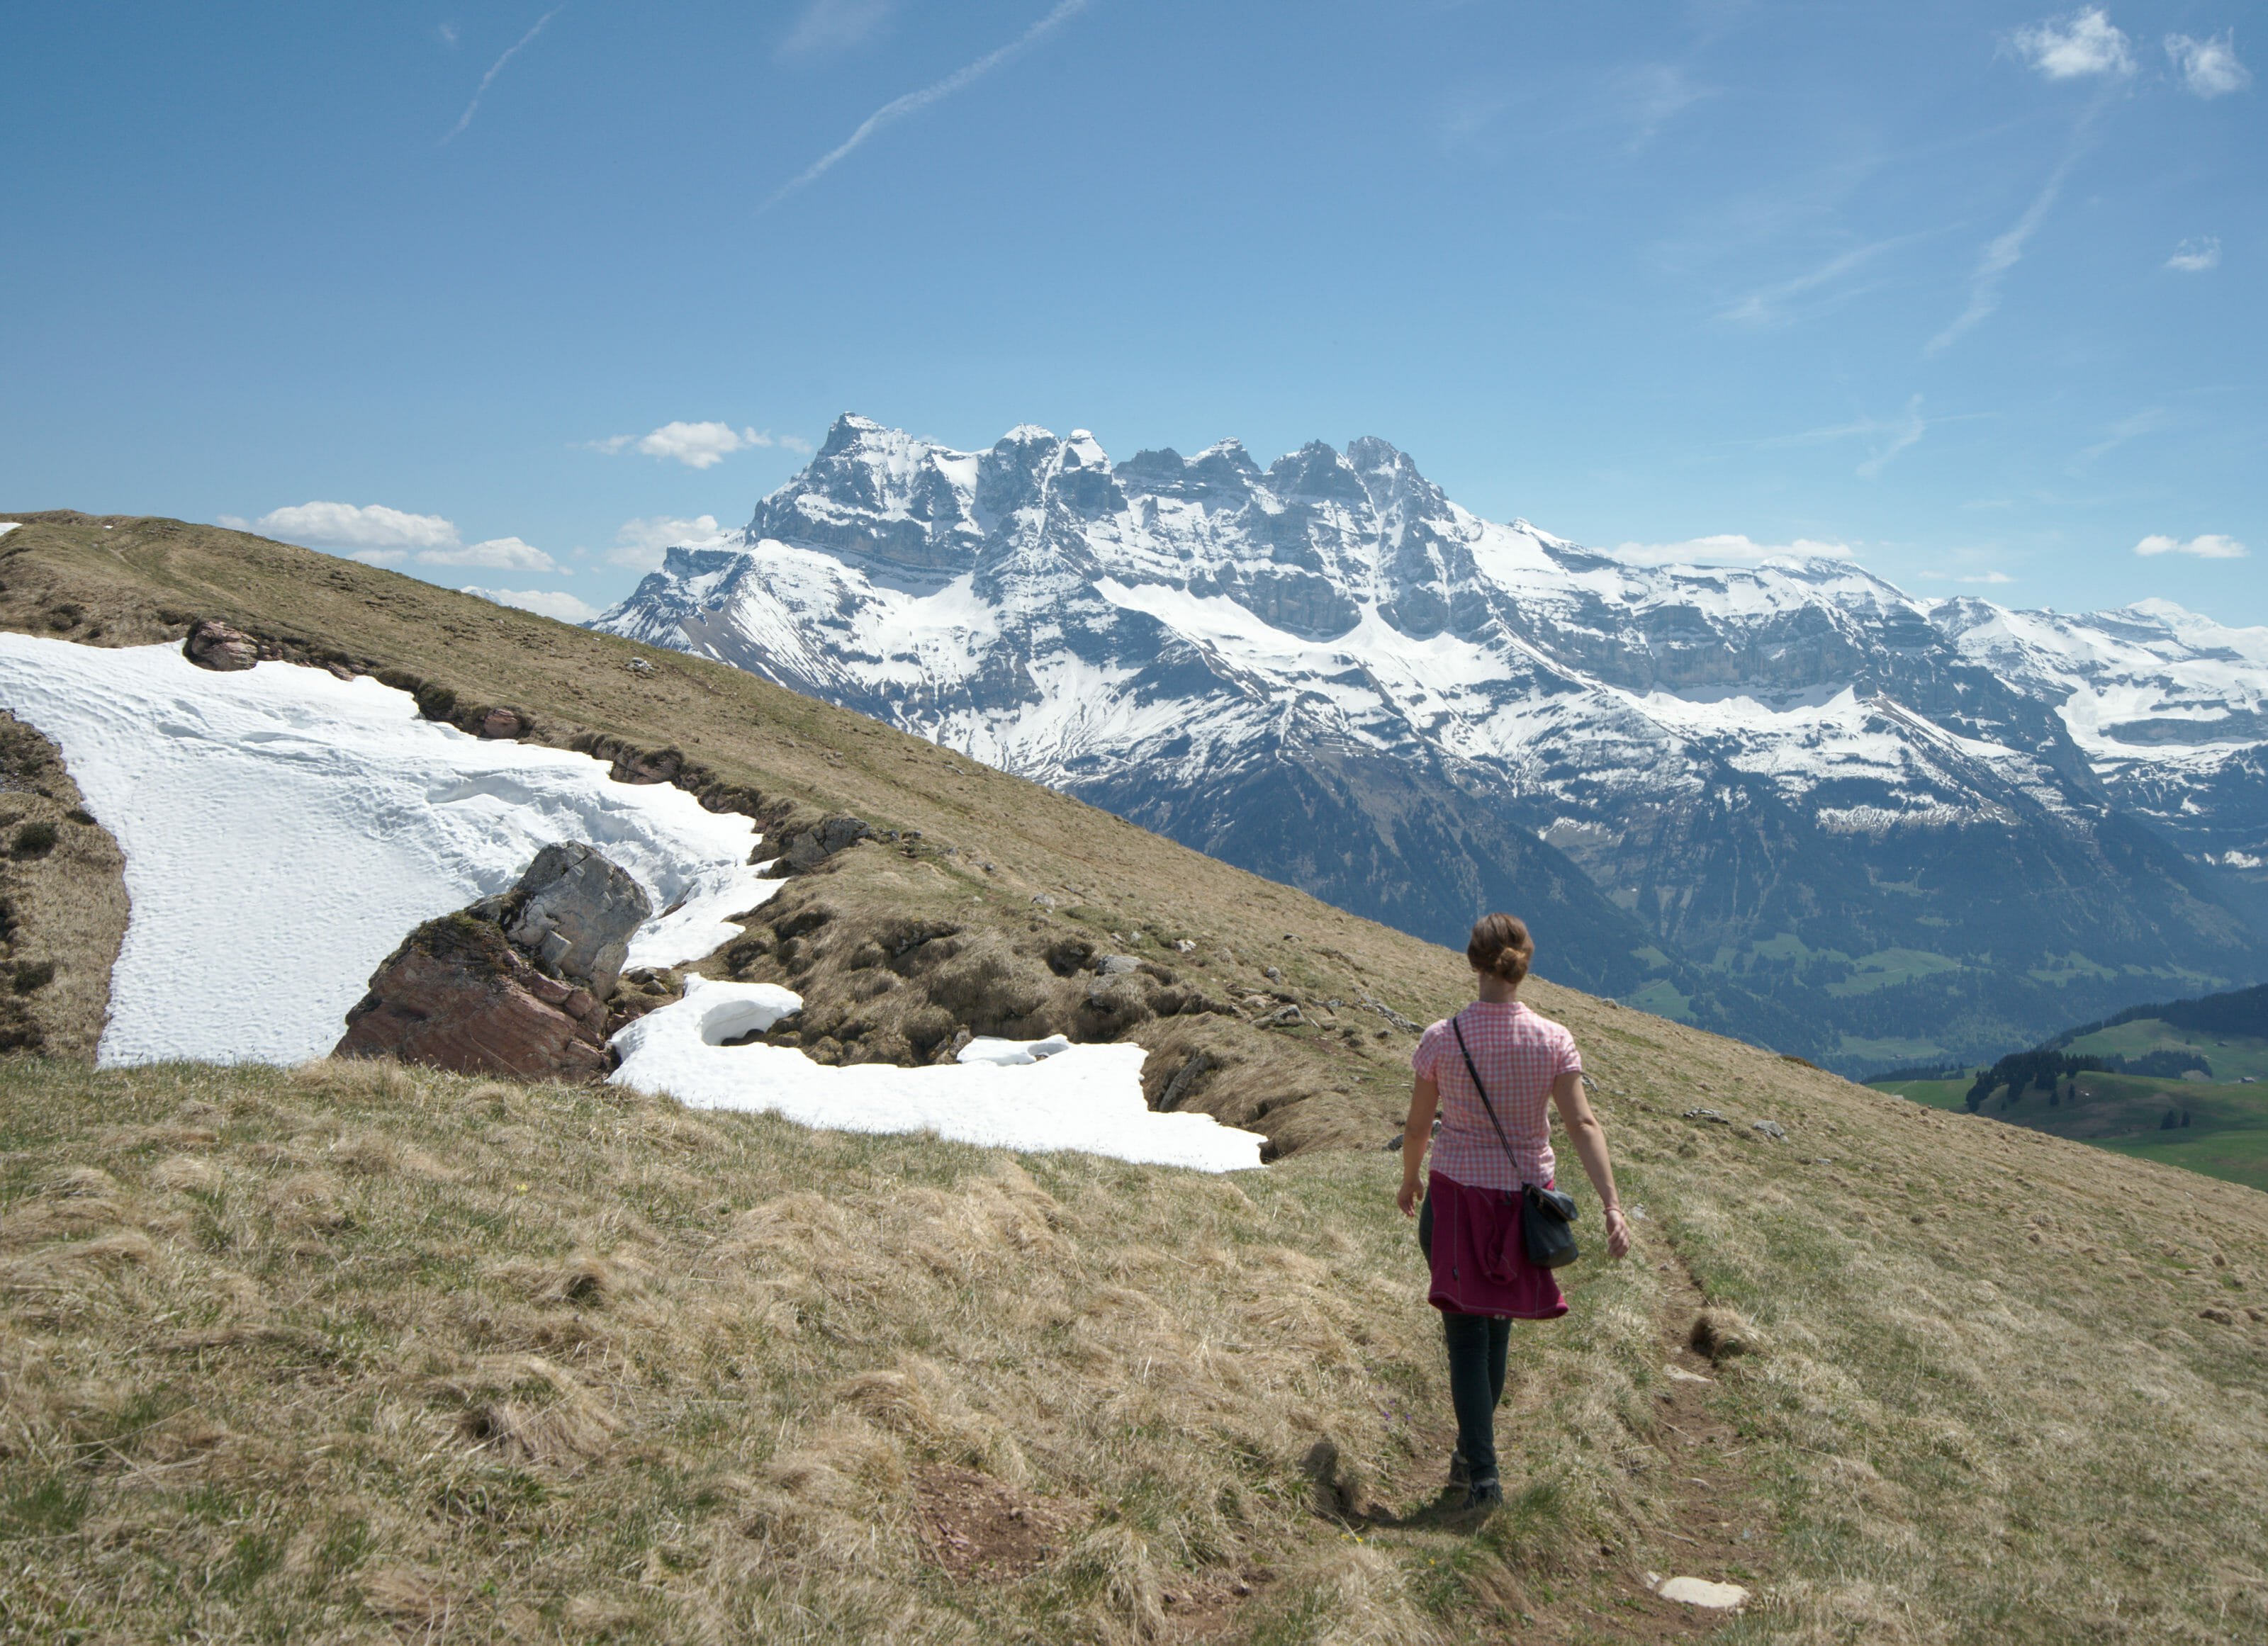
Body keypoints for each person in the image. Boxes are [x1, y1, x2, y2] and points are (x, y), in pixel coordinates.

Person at [1396, 912, 1632, 1511]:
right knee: (1495, 1329)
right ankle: (1472, 1459)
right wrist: (1611, 1204)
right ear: (1524, 963)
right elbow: (1582, 1122)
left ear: (1473, 961)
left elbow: (1420, 1124)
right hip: (1524, 1204)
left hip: (1455, 1198)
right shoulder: (1554, 1039)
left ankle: (1481, 1472)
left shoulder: (1441, 1038)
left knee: (1466, 1336)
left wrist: (1409, 1178)